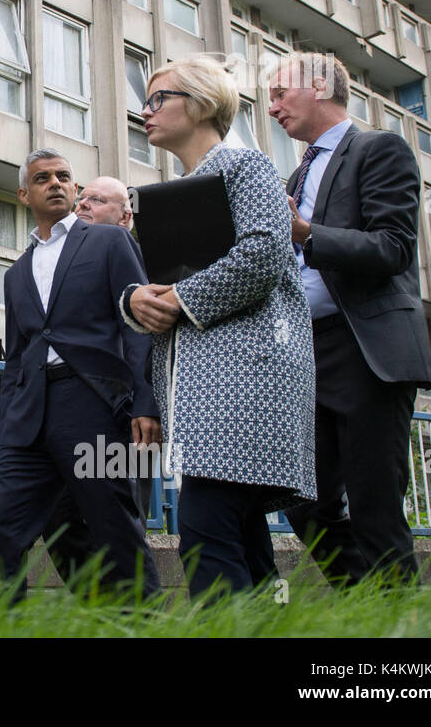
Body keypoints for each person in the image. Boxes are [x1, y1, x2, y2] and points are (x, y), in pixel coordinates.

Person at [124, 55, 315, 599]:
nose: (146, 109)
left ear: (203, 102)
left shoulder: (246, 167)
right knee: (241, 538)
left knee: (205, 530)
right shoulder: (166, 195)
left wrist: (180, 300)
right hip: (195, 392)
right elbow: (156, 289)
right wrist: (135, 300)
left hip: (246, 381)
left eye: (159, 98)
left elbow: (264, 253)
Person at [267, 52, 431, 587]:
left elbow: (392, 248)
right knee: (297, 497)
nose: (271, 107)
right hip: (305, 353)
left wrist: (305, 234)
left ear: (319, 86)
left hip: (365, 349)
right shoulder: (295, 173)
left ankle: (394, 630)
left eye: (279, 93)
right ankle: (364, 598)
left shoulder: (379, 148)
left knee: (374, 505)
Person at [0, 150, 161, 601]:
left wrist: (145, 401)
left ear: (75, 189)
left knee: (113, 524)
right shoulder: (16, 272)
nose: (55, 183)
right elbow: (15, 361)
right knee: (1, 529)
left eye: (64, 177)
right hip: (29, 416)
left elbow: (137, 327)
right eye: (43, 178)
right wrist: (5, 438)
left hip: (93, 404)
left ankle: (138, 626)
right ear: (24, 194)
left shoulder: (109, 243)